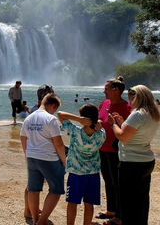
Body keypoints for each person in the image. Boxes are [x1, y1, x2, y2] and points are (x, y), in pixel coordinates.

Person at [108, 85, 160, 225]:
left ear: (137, 97)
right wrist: (123, 123)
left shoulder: (137, 114)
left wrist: (114, 124)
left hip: (131, 163)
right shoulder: (153, 113)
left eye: (131, 97)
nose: (129, 100)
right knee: (141, 200)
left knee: (128, 203)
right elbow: (138, 133)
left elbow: (123, 137)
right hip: (146, 161)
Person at [20, 93, 66, 225]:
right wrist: (63, 161)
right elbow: (58, 144)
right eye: (55, 109)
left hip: (32, 157)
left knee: (33, 189)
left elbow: (23, 138)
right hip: (48, 158)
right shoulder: (51, 120)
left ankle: (35, 220)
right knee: (56, 190)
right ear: (52, 105)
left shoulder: (28, 118)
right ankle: (42, 221)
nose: (54, 112)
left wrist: (27, 153)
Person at [58, 105, 106, 225]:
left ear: (83, 118)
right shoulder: (101, 134)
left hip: (76, 174)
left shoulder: (75, 131)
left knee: (72, 203)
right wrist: (97, 122)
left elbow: (60, 114)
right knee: (89, 204)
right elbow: (99, 124)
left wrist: (78, 120)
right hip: (93, 174)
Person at [95, 76, 132, 224]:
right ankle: (111, 210)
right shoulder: (104, 103)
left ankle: (120, 216)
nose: (104, 92)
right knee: (108, 180)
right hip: (103, 148)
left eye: (106, 89)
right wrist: (97, 123)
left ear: (116, 90)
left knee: (118, 183)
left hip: (118, 150)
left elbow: (131, 130)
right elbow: (99, 119)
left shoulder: (127, 107)